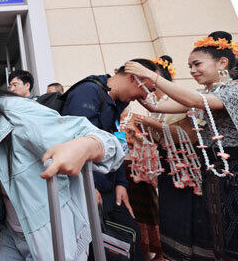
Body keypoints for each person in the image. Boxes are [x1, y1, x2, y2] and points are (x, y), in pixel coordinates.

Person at [0, 61, 125, 261]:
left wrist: (87, 146)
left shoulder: (17, 112)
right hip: (11, 233)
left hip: (46, 232)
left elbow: (109, 144)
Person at [125, 31, 238, 260]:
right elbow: (158, 108)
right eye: (189, 66)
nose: (193, 71)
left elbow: (195, 102)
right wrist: (136, 88)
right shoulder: (205, 93)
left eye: (197, 64)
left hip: (233, 166)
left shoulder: (233, 89)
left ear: (222, 62)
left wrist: (152, 75)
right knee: (217, 230)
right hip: (214, 169)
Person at [61, 58, 159, 261]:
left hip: (109, 189)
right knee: (97, 249)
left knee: (130, 238)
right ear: (133, 78)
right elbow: (75, 142)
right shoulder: (88, 92)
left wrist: (121, 183)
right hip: (88, 188)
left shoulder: (115, 102)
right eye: (146, 89)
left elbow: (115, 146)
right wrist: (88, 186)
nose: (144, 97)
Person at [124, 55, 176, 260]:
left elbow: (175, 133)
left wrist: (146, 124)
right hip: (161, 169)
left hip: (173, 167)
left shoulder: (173, 102)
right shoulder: (156, 105)